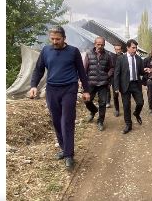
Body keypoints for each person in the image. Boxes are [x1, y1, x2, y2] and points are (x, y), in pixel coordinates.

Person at [29, 27, 90, 171]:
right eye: (52, 39)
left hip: (69, 88)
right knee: (56, 121)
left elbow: (81, 72)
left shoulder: (73, 51)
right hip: (52, 90)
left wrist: (86, 90)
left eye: (58, 39)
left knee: (66, 121)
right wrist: (33, 86)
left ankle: (69, 155)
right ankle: (64, 148)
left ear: (64, 38)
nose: (55, 42)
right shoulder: (46, 51)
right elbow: (38, 69)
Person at [83, 37, 115, 131]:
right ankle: (93, 111)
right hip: (91, 83)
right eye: (98, 44)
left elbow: (112, 68)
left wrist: (107, 75)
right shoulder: (88, 54)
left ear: (104, 45)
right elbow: (84, 68)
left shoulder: (108, 55)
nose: (100, 46)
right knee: (87, 100)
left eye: (102, 44)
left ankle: (100, 121)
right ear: (95, 44)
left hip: (103, 83)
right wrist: (82, 81)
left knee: (102, 103)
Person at [114, 39, 144, 134]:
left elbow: (141, 72)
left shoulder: (139, 59)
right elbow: (117, 73)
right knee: (126, 106)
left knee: (140, 102)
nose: (135, 50)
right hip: (125, 85)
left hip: (136, 84)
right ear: (127, 48)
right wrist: (116, 87)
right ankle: (128, 124)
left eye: (136, 48)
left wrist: (145, 70)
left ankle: (136, 113)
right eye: (133, 48)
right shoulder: (121, 59)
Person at [110, 43, 123, 116]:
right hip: (115, 80)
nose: (118, 51)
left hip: (123, 80)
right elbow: (110, 68)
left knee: (125, 95)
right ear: (114, 50)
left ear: (121, 50)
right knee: (115, 95)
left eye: (119, 49)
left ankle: (126, 107)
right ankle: (117, 109)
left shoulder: (125, 57)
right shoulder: (112, 57)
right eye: (116, 49)